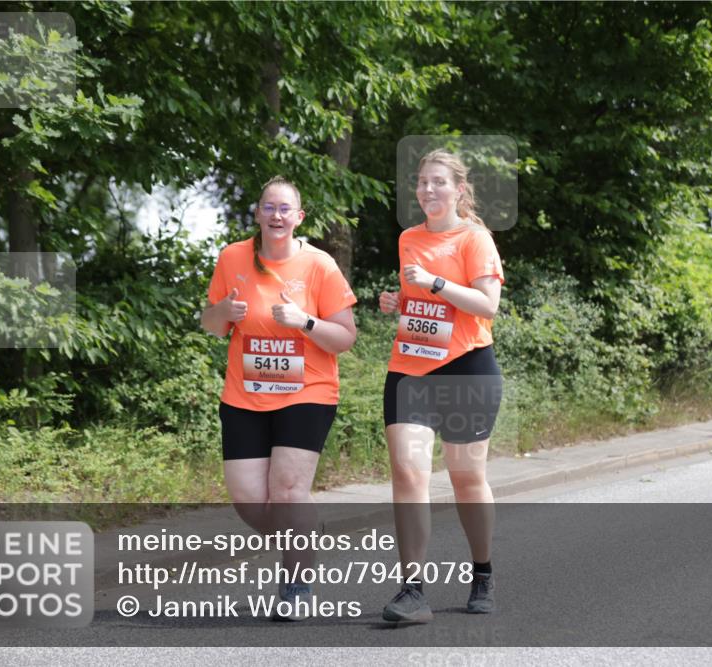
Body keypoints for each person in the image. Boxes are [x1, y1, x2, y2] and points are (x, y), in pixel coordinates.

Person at [201, 176, 357, 619]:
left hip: (307, 392)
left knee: (287, 493)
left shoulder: (320, 265)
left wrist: (304, 322)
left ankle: (296, 586)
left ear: (299, 217)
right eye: (269, 207)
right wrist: (222, 313)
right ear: (257, 213)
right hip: (244, 395)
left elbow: (345, 338)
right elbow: (211, 325)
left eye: (285, 209)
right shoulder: (232, 257)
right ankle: (307, 527)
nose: (276, 215)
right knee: (250, 502)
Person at [378, 149, 505, 622]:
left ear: (459, 189)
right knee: (409, 474)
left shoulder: (475, 239)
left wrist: (433, 283)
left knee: (466, 480)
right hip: (411, 367)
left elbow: (486, 305)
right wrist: (397, 302)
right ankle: (412, 590)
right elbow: (422, 305)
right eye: (422, 182)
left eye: (438, 182)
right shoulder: (408, 237)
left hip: (467, 368)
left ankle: (483, 572)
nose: (428, 190)